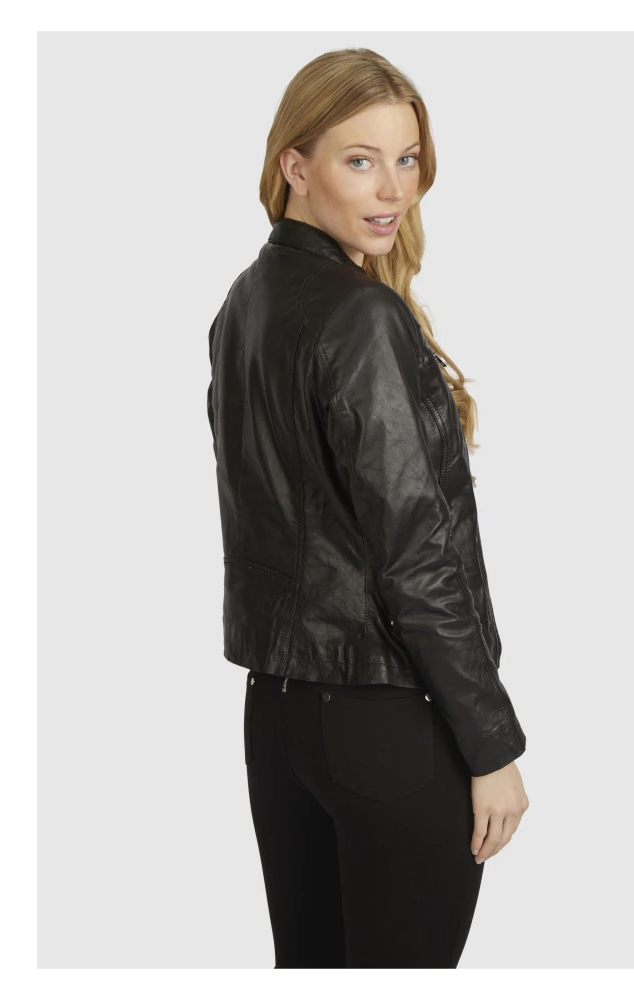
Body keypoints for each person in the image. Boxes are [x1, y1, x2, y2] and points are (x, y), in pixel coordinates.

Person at [205, 48, 529, 969]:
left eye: (408, 158)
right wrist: (491, 746)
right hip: (387, 721)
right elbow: (416, 557)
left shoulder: (245, 304)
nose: (394, 190)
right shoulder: (361, 318)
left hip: (279, 720)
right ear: (295, 166)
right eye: (361, 160)